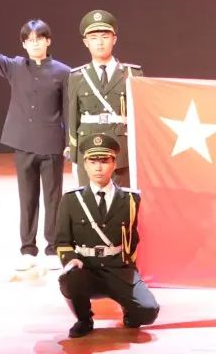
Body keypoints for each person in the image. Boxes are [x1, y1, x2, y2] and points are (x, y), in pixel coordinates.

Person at [0, 4, 72, 271]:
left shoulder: (64, 72)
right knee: (27, 197)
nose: (34, 43)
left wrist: (69, 143)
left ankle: (53, 248)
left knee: (53, 198)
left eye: (39, 39)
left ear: (48, 41)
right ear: (24, 44)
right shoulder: (15, 67)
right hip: (23, 142)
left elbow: (68, 109)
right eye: (29, 40)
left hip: (51, 142)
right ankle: (28, 249)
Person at [55, 133, 159, 338]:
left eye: (104, 161)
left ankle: (129, 309)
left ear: (114, 164)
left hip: (118, 269)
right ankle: (84, 319)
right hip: (86, 269)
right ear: (85, 165)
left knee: (148, 312)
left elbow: (134, 238)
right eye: (93, 162)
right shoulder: (71, 200)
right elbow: (62, 240)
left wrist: (130, 269)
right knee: (70, 279)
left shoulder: (131, 200)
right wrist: (71, 260)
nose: (98, 167)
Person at [64, 10, 142, 188]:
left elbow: (140, 117)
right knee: (90, 200)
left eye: (105, 37)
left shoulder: (132, 74)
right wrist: (75, 156)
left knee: (121, 200)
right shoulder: (77, 76)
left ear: (114, 39)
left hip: (121, 151)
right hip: (89, 149)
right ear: (86, 42)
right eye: (93, 38)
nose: (99, 42)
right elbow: (73, 118)